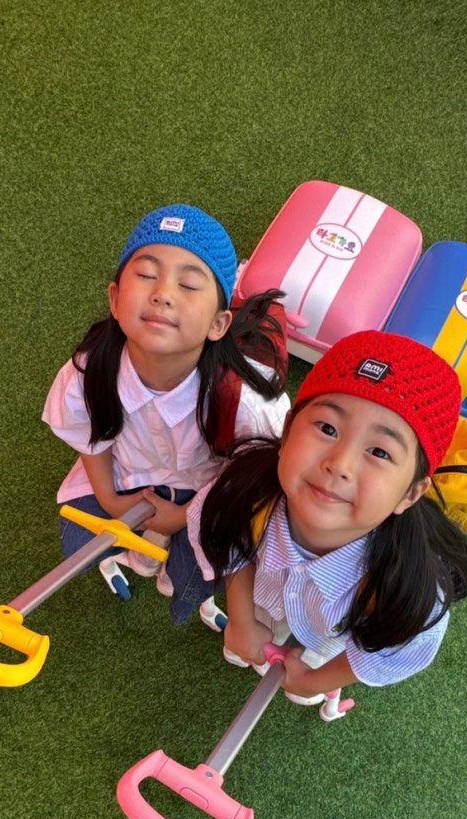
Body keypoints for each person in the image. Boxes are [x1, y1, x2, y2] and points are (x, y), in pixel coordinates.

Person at [187, 330, 467, 703]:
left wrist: (316, 681)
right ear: (288, 431)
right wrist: (241, 620)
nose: (340, 464)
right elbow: (228, 538)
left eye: (380, 452)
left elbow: (397, 651)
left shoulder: (409, 587)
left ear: (410, 493)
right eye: (328, 428)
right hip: (261, 600)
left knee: (308, 668)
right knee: (253, 640)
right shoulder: (244, 492)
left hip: (331, 633)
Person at [42, 203, 290, 627]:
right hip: (129, 474)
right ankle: (141, 550)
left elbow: (254, 476)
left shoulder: (247, 399)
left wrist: (183, 517)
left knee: (193, 575)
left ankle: (171, 567)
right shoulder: (89, 370)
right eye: (145, 275)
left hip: (208, 493)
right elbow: (87, 435)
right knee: (80, 542)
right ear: (115, 300)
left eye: (189, 284)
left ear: (219, 324)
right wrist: (109, 498)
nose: (163, 293)